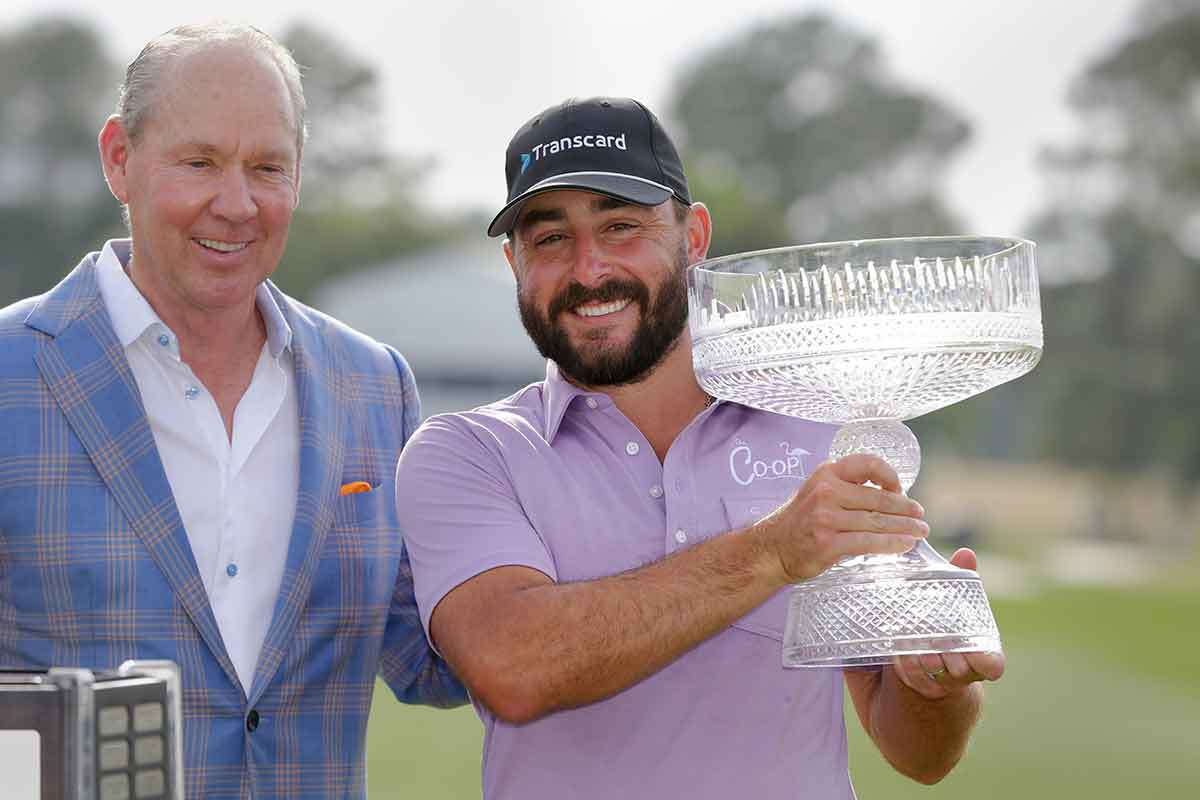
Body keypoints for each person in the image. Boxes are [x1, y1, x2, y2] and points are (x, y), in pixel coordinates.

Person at [396, 96, 1005, 799]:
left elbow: (920, 755)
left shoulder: (817, 425)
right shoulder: (466, 453)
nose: (589, 270)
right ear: (514, 262)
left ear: (694, 238)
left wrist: (933, 685)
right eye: (551, 238)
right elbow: (514, 667)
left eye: (621, 226)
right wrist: (774, 550)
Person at [0, 23, 464, 799]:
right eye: (200, 162)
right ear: (120, 159)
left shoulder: (374, 386)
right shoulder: (9, 372)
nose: (237, 203)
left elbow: (433, 660)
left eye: (267, 168)